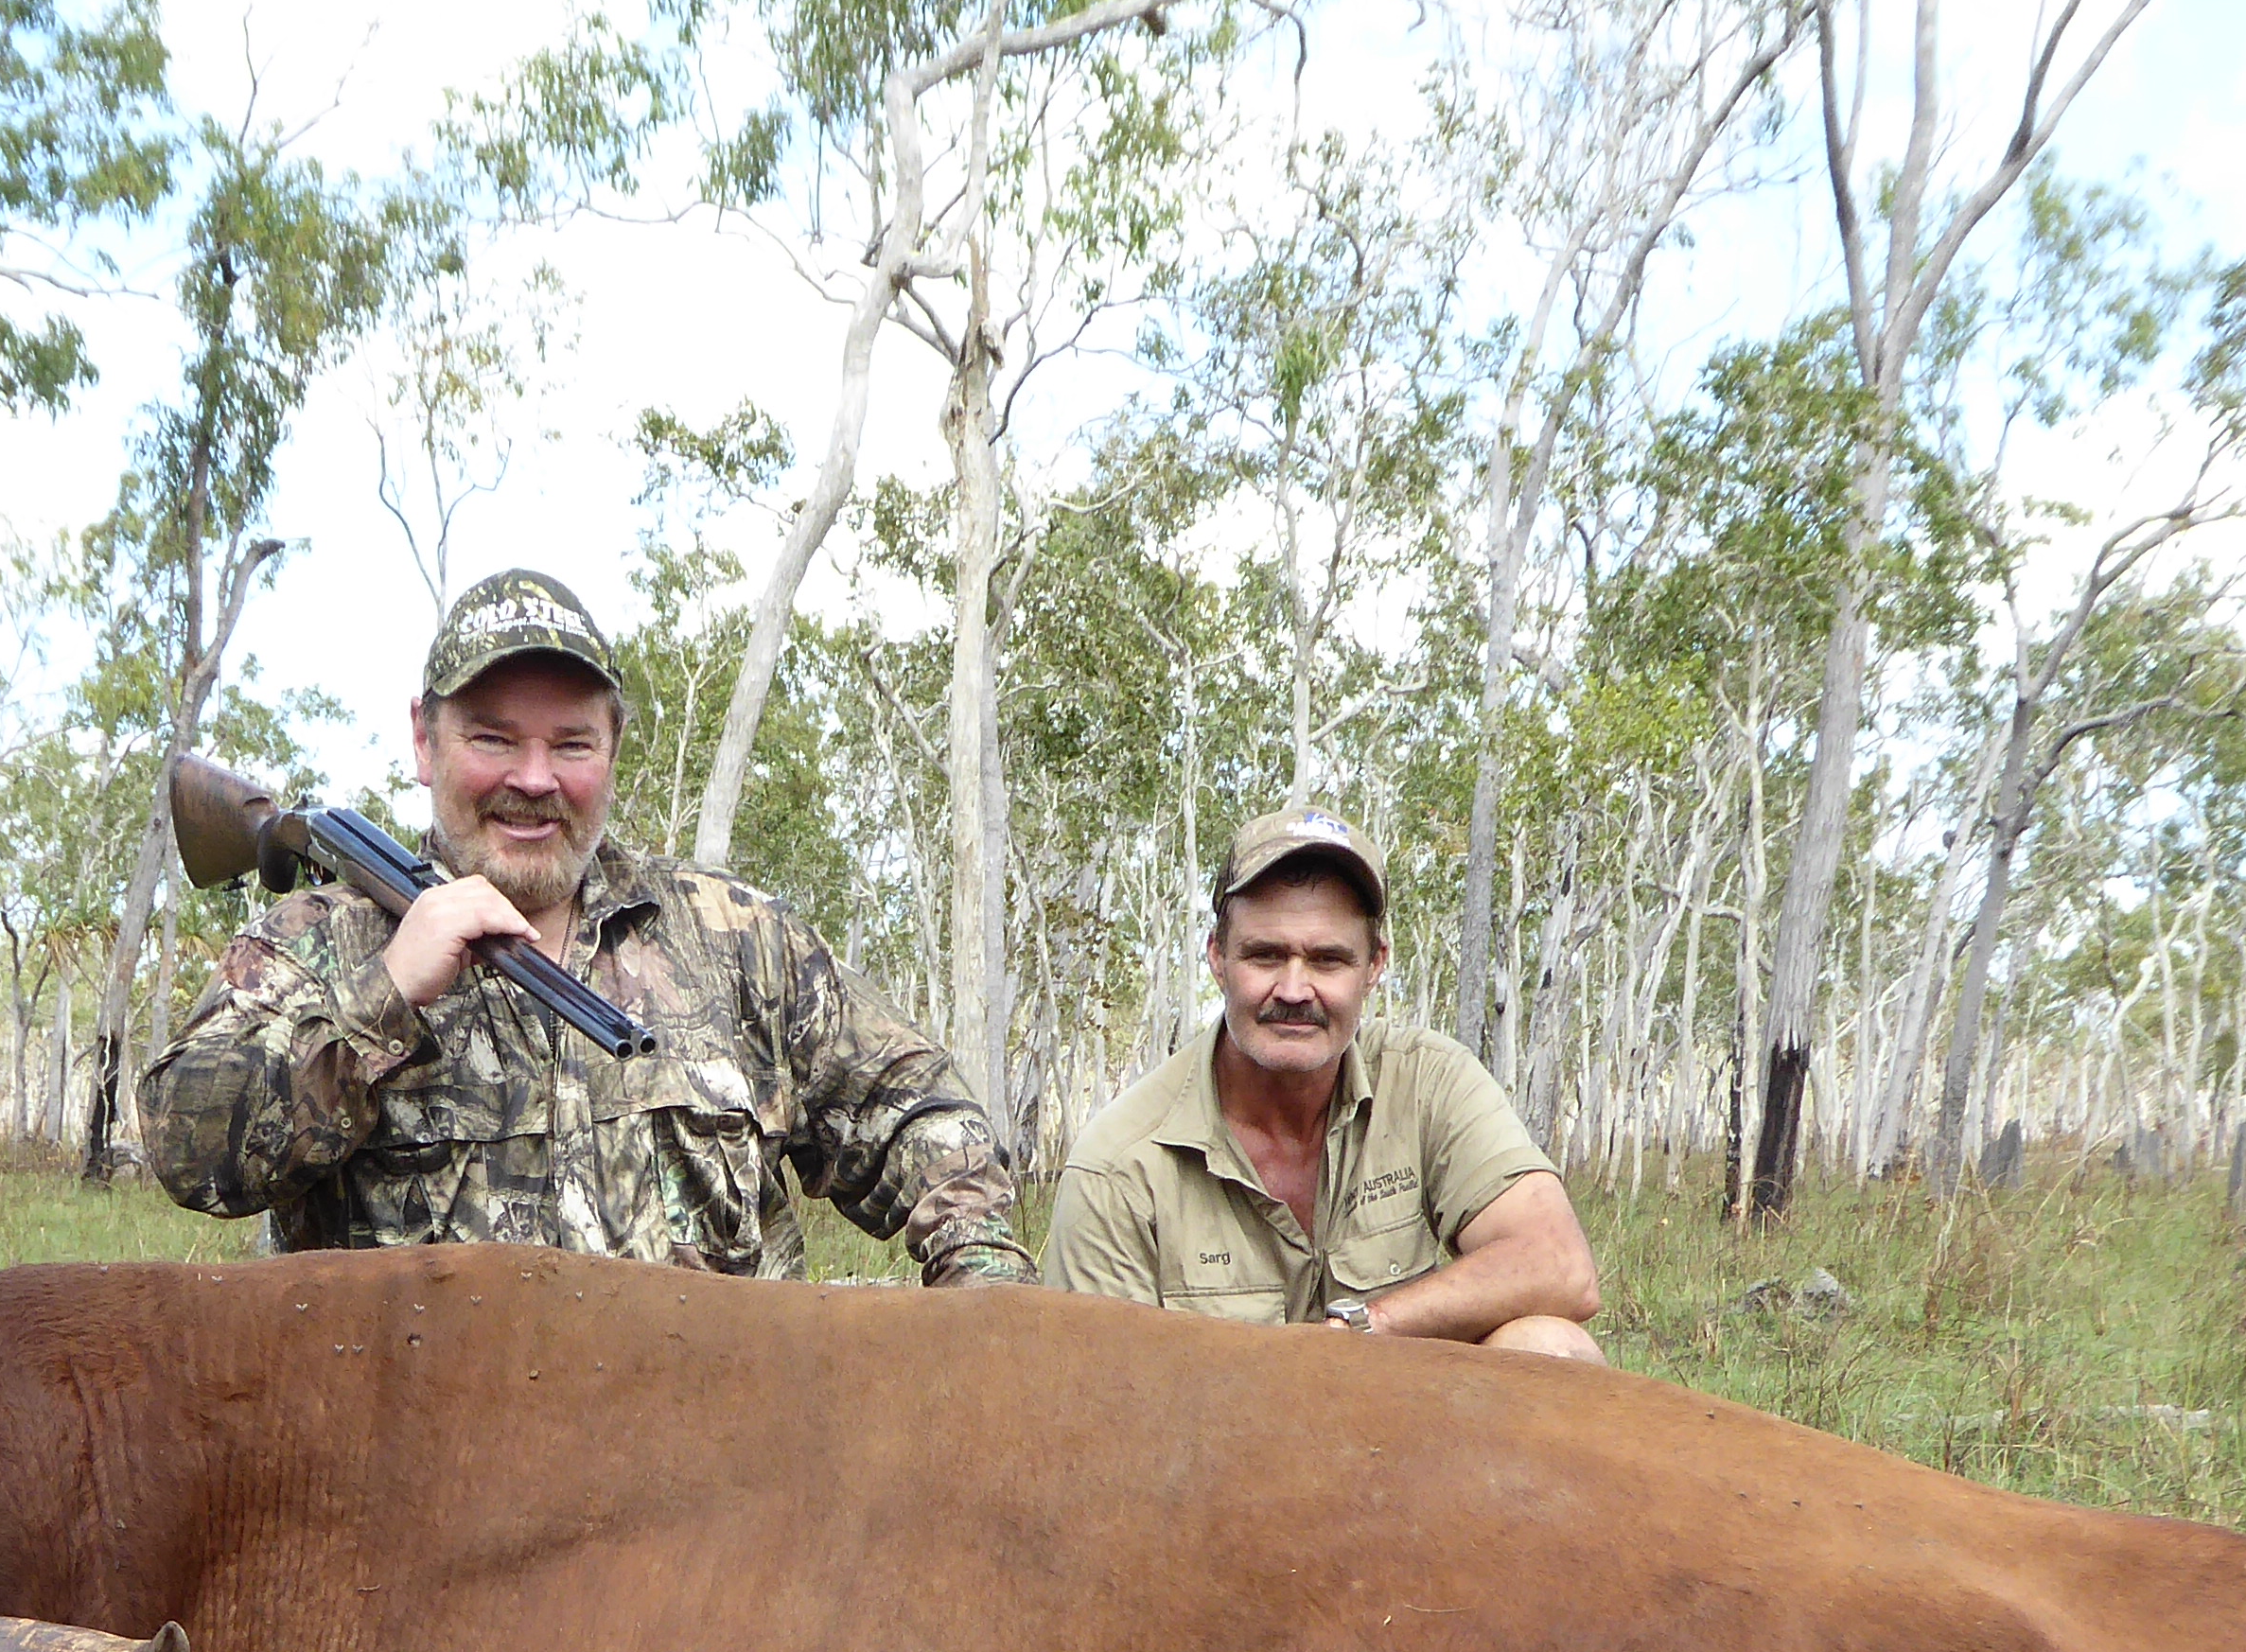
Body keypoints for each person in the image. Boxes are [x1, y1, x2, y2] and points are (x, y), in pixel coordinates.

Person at [140, 568, 1027, 1287]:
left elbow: (921, 1115)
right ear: (423, 738)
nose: (534, 780)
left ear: (612, 749)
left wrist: (983, 1288)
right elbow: (190, 1150)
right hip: (423, 1493)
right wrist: (384, 998)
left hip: (716, 1483)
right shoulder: (312, 944)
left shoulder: (739, 940)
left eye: (571, 745)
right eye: (492, 739)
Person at [1044, 808, 1605, 1358]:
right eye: (1265, 956)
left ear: (1374, 965)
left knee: (1551, 1349)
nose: (1293, 989)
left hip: (1406, 1432)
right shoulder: (1117, 1168)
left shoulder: (1428, 1081)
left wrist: (1365, 1328)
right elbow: (1103, 1410)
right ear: (1217, 958)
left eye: (1327, 960)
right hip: (1214, 1442)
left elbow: (1560, 1265)